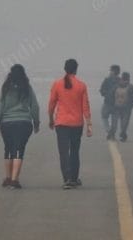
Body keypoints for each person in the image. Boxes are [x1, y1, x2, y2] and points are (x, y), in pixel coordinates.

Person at [0, 64, 40, 189]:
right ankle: (14, 180)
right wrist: (36, 123)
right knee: (19, 149)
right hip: (24, 123)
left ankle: (8, 178)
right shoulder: (27, 88)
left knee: (8, 148)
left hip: (6, 123)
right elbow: (34, 106)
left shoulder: (6, 87)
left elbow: (0, 105)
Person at [49, 59, 92, 189]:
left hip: (61, 123)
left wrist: (51, 119)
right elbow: (86, 106)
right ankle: (74, 178)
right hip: (76, 124)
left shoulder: (57, 84)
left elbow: (51, 104)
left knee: (63, 152)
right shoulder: (81, 85)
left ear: (65, 69)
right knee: (74, 151)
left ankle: (67, 178)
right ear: (76, 69)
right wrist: (89, 124)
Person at [108, 72, 133, 142]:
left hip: (116, 107)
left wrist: (112, 104)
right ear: (129, 78)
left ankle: (112, 135)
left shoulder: (116, 86)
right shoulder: (131, 87)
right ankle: (123, 134)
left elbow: (110, 95)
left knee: (114, 122)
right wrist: (130, 102)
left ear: (121, 77)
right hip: (127, 108)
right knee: (124, 122)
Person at [99, 65, 121, 133]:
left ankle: (108, 130)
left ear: (113, 71)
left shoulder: (107, 79)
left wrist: (105, 94)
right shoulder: (120, 81)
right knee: (115, 120)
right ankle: (112, 132)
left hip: (108, 102)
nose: (110, 72)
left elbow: (102, 90)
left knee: (104, 116)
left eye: (111, 70)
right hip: (117, 104)